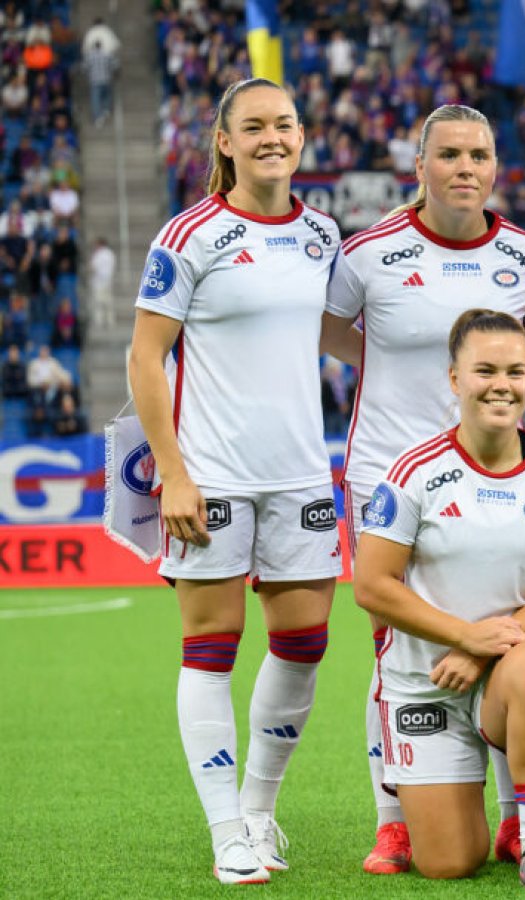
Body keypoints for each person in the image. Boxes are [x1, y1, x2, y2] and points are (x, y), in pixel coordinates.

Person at [322, 103, 525, 876]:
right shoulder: (369, 255)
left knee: (507, 629)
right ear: (419, 166)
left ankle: (516, 814)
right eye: (450, 154)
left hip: (500, 476)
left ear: (498, 166)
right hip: (389, 476)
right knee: (395, 643)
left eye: (480, 155)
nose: (466, 168)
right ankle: (394, 815)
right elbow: (327, 330)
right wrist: (386, 364)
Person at [126, 77, 342, 885]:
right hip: (211, 477)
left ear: (300, 134)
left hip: (300, 475)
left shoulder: (321, 233)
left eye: (284, 124)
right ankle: (225, 831)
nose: (272, 138)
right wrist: (172, 475)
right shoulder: (189, 236)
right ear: (225, 141)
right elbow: (146, 357)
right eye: (254, 128)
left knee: (304, 644)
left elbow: (332, 336)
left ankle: (260, 812)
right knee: (210, 652)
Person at [353, 309, 525, 891]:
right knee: (450, 863)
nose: (502, 385)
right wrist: (462, 637)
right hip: (426, 681)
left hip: (505, 672)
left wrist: (482, 650)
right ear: (455, 379)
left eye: (516, 371)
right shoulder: (413, 473)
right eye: (484, 370)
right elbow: (372, 585)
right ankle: (458, 806)